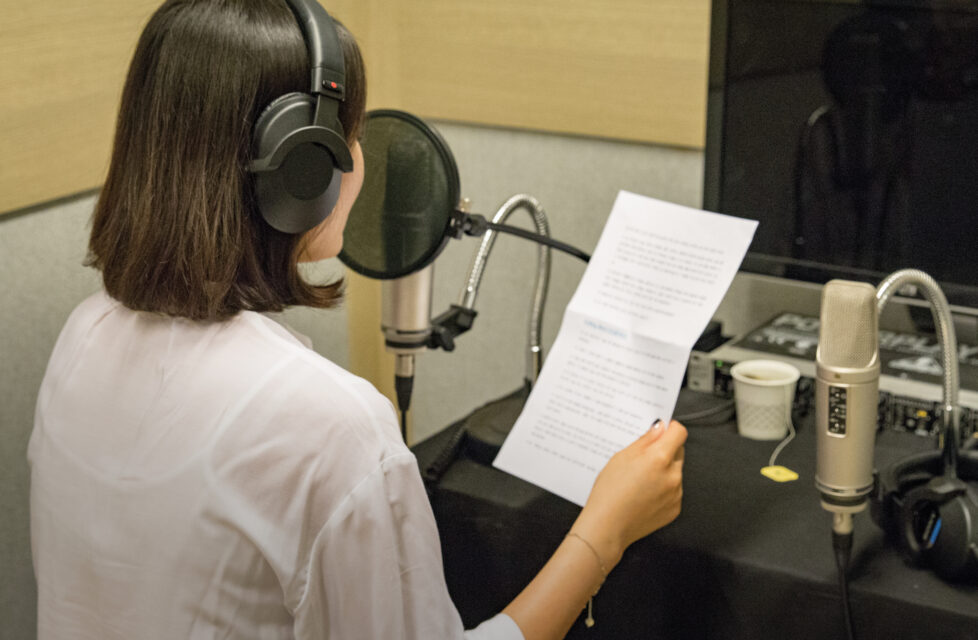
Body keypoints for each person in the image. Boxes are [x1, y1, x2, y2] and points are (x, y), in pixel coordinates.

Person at [28, 1, 687, 639]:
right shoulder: (329, 426)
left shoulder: (83, 337)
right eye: (352, 135)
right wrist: (605, 531)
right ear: (300, 165)